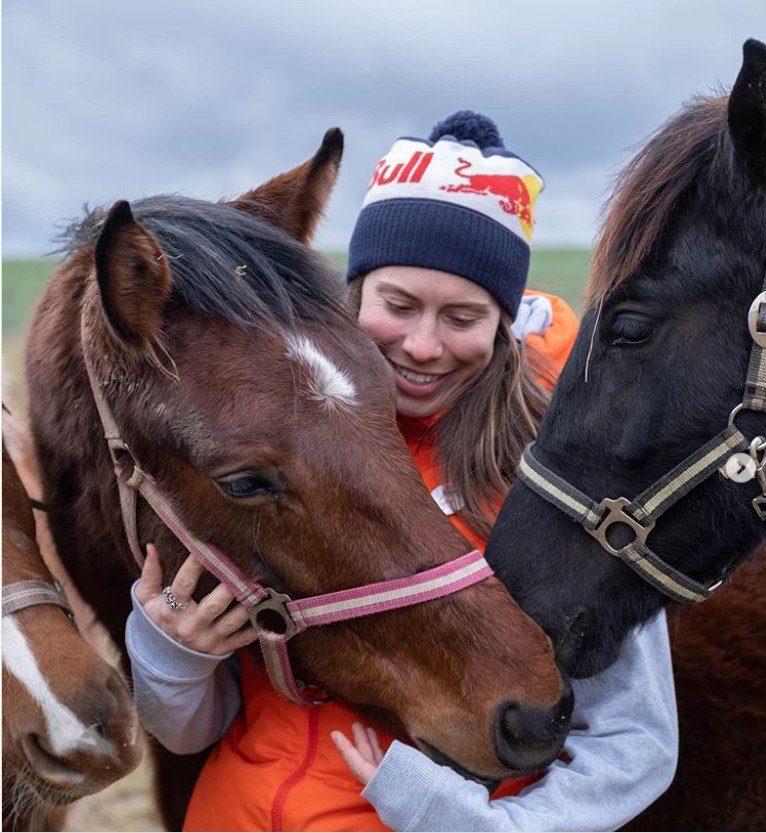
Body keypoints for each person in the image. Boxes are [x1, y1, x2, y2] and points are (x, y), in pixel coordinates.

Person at [126, 111, 678, 832]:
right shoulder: (274, 456)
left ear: (503, 323)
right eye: (398, 304)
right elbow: (202, 725)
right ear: (351, 295)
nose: (422, 344)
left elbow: (636, 741)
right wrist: (171, 656)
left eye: (462, 316)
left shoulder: (560, 478)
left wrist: (482, 826)